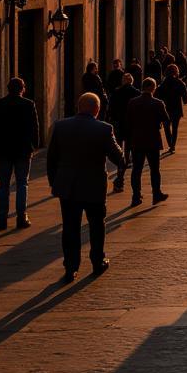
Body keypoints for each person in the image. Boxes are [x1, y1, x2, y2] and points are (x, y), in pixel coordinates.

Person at [46, 92, 125, 282]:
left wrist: (55, 182)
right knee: (97, 225)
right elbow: (119, 159)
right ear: (97, 109)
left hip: (68, 187)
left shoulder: (60, 126)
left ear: (78, 107)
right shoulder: (104, 129)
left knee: (70, 228)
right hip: (94, 186)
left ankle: (70, 267)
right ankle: (97, 261)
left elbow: (51, 159)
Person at [0, 77, 39, 231]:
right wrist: (33, 146)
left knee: (4, 185)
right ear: (22, 89)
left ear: (8, 88)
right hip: (23, 149)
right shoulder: (29, 104)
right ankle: (22, 217)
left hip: (4, 150)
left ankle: (2, 220)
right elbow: (34, 128)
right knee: (22, 183)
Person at [124, 77, 171, 207]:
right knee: (154, 169)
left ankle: (136, 196)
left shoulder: (132, 102)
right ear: (152, 88)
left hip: (137, 140)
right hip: (153, 140)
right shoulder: (158, 103)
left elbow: (128, 122)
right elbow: (166, 119)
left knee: (136, 170)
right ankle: (156, 193)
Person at [156, 64, 187, 153]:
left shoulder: (162, 84)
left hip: (166, 109)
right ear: (176, 72)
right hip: (176, 109)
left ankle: (170, 144)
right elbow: (185, 100)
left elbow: (157, 96)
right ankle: (173, 146)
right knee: (175, 128)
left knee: (166, 128)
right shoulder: (180, 83)